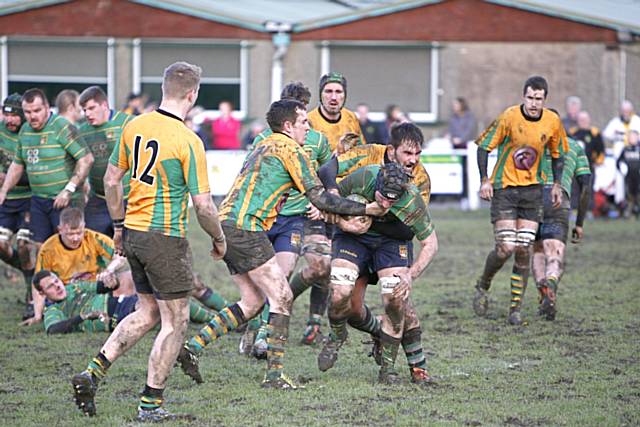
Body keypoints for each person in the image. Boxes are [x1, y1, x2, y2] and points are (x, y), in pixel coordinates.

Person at [177, 98, 386, 390]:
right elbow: (320, 197)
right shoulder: (291, 148)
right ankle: (274, 376)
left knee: (252, 301)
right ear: (288, 126)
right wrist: (366, 210)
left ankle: (193, 348)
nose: (307, 127)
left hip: (225, 224)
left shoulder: (263, 144)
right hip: (246, 228)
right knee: (282, 296)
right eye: (303, 122)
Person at [71, 61, 226, 422]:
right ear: (193, 94)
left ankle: (92, 373)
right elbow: (203, 205)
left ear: (162, 89)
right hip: (164, 238)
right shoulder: (189, 140)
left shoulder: (134, 125)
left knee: (147, 312)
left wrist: (119, 227)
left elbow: (111, 181)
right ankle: (150, 405)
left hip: (135, 234)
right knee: (177, 322)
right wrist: (218, 238)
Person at [317, 122, 434, 384]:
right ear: (392, 151)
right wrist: (344, 207)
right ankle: (341, 336)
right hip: (354, 237)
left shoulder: (420, 181)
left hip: (393, 239)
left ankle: (415, 367)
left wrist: (372, 216)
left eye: (417, 154)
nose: (413, 161)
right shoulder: (367, 160)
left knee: (398, 300)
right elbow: (327, 170)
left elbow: (410, 229)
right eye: (407, 153)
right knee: (344, 300)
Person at [246, 82, 332, 356]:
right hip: (269, 218)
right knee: (272, 278)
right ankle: (260, 328)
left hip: (304, 215)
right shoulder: (263, 140)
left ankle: (306, 319)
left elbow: (330, 174)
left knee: (319, 266)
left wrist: (322, 203)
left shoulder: (317, 140)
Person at [472, 76, 566, 326]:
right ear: (523, 96)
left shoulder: (553, 121)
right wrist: (484, 180)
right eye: (530, 98)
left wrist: (556, 184)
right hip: (505, 189)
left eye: (539, 99)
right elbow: (483, 147)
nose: (534, 103)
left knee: (524, 249)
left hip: (533, 192)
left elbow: (558, 155)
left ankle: (515, 309)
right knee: (506, 248)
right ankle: (483, 283)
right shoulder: (509, 117)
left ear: (545, 99)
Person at [0, 88, 94, 244]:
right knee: (36, 247)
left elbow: (86, 159)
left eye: (37, 110)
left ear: (47, 107)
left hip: (64, 200)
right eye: (27, 112)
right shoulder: (25, 130)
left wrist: (68, 190)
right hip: (38, 200)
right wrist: (4, 191)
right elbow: (17, 165)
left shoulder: (62, 126)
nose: (32, 116)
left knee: (66, 246)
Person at [35, 270, 223, 335]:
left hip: (122, 302)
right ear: (43, 293)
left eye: (56, 281)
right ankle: (218, 319)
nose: (57, 286)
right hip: (117, 317)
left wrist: (111, 281)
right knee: (166, 305)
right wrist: (82, 317)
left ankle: (217, 317)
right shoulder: (53, 310)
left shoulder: (72, 288)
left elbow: (102, 288)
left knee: (171, 300)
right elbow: (53, 330)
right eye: (51, 287)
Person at [532, 136, 591, 320]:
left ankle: (543, 291)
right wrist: (579, 223)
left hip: (533, 197)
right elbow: (585, 188)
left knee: (538, 249)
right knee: (554, 250)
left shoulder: (534, 141)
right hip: (558, 199)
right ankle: (551, 284)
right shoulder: (574, 146)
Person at [78, 86, 134, 236]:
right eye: (84, 110)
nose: (88, 114)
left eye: (91, 108)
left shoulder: (128, 123)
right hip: (99, 198)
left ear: (104, 105)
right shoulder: (82, 130)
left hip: (129, 198)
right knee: (92, 245)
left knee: (131, 249)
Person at [0, 93, 36, 319]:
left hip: (29, 198)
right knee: (1, 246)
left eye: (14, 116)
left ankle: (31, 294)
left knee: (24, 245)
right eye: (6, 114)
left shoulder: (30, 133)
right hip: (6, 200)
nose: (10, 120)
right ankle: (29, 274)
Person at [308, 72, 365, 152]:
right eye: (328, 91)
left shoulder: (351, 118)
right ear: (321, 95)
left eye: (338, 92)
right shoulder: (309, 121)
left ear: (345, 95)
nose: (333, 97)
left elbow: (362, 152)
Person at [616, 130, 640, 217]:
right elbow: (618, 161)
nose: (632, 139)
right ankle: (629, 211)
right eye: (630, 137)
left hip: (638, 175)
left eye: (634, 137)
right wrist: (622, 169)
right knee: (629, 193)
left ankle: (637, 209)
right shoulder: (625, 149)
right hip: (628, 176)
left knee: (638, 193)